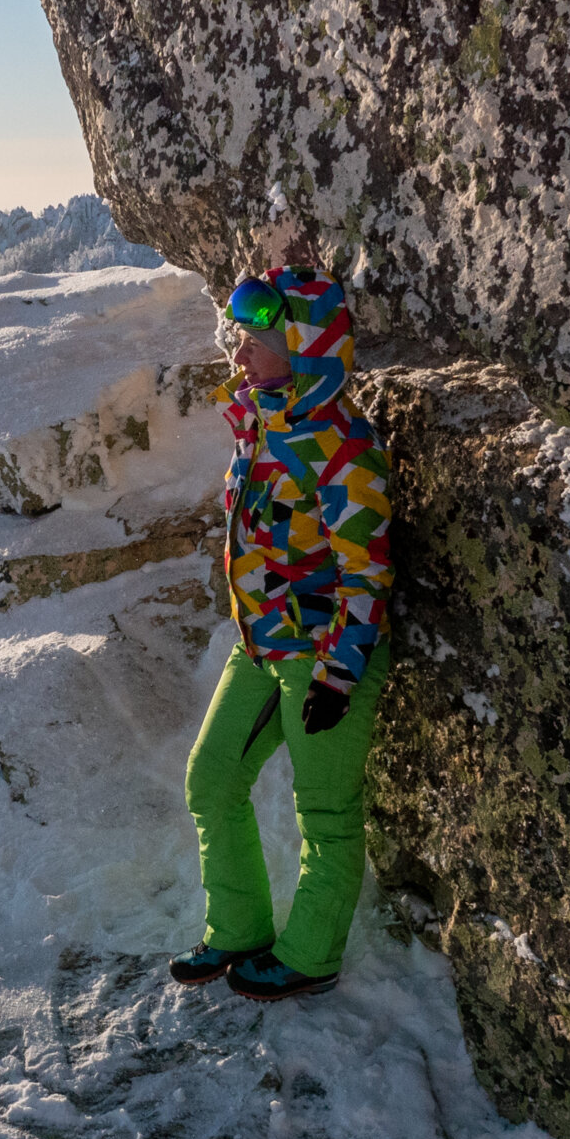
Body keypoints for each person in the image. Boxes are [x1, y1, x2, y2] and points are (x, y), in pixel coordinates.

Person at [169, 266, 394, 1001]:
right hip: (264, 644)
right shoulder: (266, 425)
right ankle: (238, 930)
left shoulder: (340, 449)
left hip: (327, 654)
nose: (240, 357)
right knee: (212, 780)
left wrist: (338, 673)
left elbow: (367, 571)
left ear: (304, 348)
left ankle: (310, 955)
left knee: (326, 813)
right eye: (240, 340)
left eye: (256, 342)